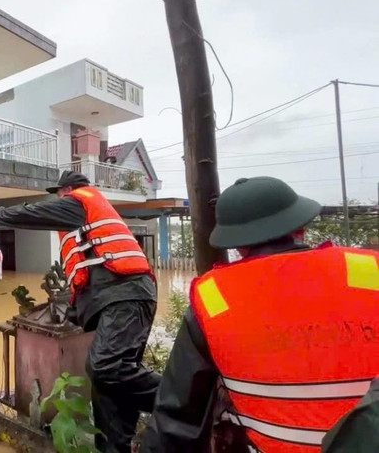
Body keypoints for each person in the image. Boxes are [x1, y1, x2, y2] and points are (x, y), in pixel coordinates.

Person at [140, 176, 379, 453]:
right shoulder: (369, 269)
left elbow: (176, 418)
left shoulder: (213, 297)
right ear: (301, 226)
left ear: (236, 245)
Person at [0, 170, 161, 453]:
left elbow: (37, 213)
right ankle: (112, 447)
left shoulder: (79, 201)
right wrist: (75, 313)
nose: (57, 200)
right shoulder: (84, 224)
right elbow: (87, 273)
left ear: (67, 190)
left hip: (127, 295)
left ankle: (184, 400)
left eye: (58, 194)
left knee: (104, 367)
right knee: (108, 388)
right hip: (115, 299)